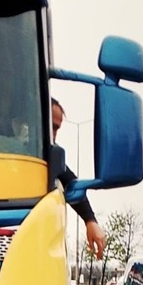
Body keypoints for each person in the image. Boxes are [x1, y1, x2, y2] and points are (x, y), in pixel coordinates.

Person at [51, 97, 107, 260]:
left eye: (57, 129)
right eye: (52, 127)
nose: (53, 135)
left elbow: (72, 184)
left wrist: (90, 220)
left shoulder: (51, 157)